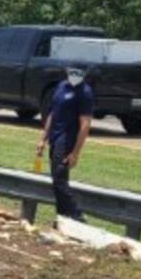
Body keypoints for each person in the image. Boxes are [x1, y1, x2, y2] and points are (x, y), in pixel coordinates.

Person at [37, 64, 94, 224]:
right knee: (57, 181)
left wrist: (75, 153)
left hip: (67, 140)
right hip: (54, 138)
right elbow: (52, 114)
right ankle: (62, 218)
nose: (74, 75)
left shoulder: (85, 93)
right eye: (72, 71)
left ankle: (77, 217)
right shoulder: (61, 87)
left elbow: (85, 124)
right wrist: (43, 139)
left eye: (78, 72)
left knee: (59, 180)